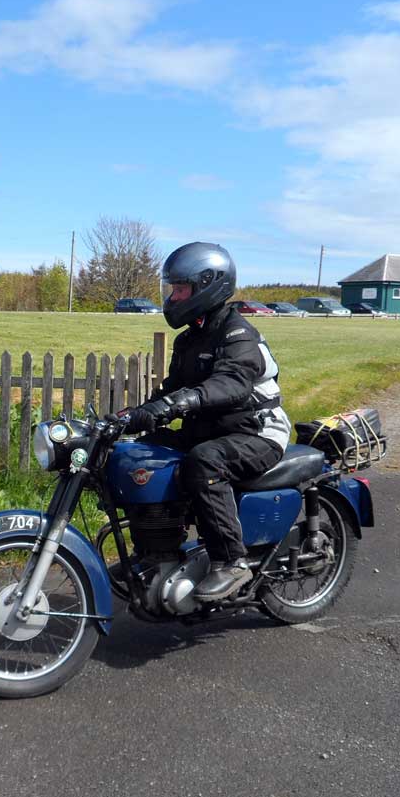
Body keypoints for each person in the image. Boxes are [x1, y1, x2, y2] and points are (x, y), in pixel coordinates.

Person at [123, 242, 291, 602]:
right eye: (173, 289)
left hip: (257, 431)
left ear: (208, 285)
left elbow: (231, 383)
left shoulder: (237, 333)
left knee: (205, 461)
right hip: (211, 430)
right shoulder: (189, 339)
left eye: (181, 289)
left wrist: (182, 401)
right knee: (141, 453)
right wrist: (130, 417)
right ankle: (154, 551)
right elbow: (171, 389)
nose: (174, 297)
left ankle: (231, 561)